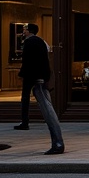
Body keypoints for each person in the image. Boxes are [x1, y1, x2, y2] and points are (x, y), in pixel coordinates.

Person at [15, 23, 64, 154]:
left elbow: (28, 62)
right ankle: (57, 142)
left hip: (36, 79)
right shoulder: (41, 42)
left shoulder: (29, 43)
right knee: (48, 109)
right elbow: (45, 61)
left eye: (25, 30)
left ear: (29, 31)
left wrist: (23, 76)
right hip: (42, 78)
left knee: (48, 111)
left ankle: (58, 143)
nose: (23, 32)